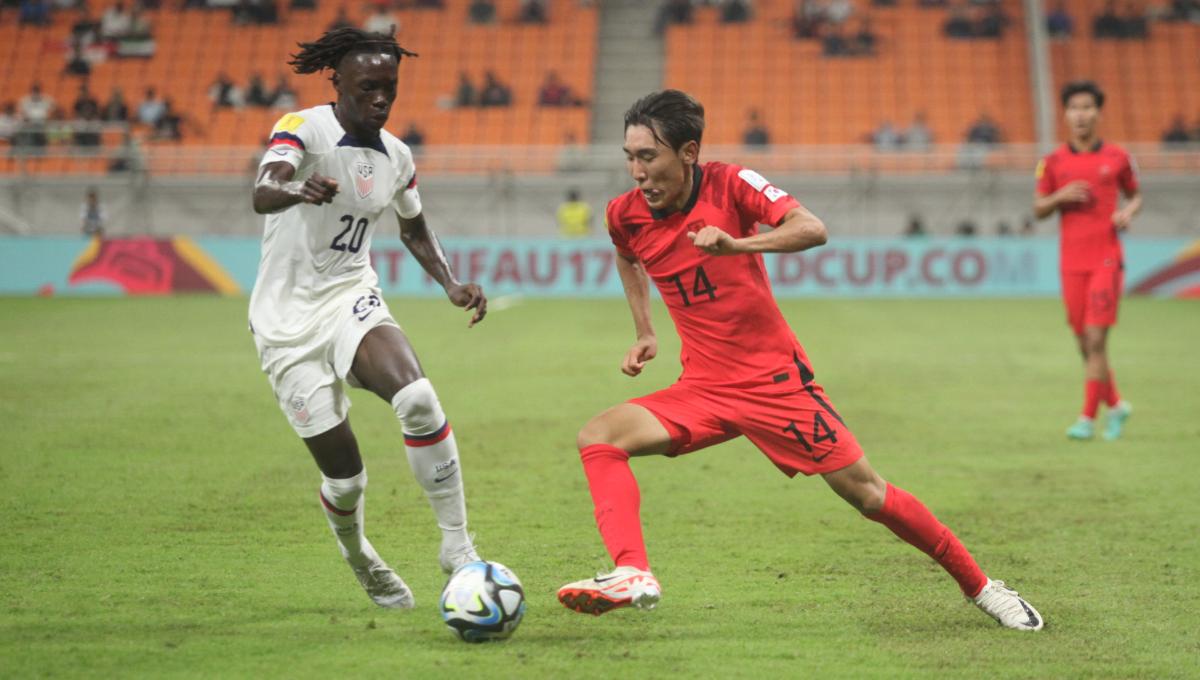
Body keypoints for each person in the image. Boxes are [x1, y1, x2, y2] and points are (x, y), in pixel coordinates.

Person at [555, 90, 1043, 631]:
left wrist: (738, 247)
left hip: (775, 385)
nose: (637, 172)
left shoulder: (730, 184)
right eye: (630, 157)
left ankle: (984, 588)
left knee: (869, 495)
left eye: (648, 157)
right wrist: (645, 330)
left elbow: (813, 228)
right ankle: (633, 573)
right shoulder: (624, 215)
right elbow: (628, 256)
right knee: (599, 437)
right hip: (703, 389)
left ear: (688, 153)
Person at [249, 27, 488, 610]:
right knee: (347, 478)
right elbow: (263, 189)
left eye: (390, 88)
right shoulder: (303, 129)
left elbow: (412, 227)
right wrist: (299, 187)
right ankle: (359, 553)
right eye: (368, 88)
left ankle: (458, 548)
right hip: (285, 323)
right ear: (338, 83)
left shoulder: (398, 156)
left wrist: (450, 282)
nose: (380, 99)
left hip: (350, 295)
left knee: (420, 399)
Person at [1033, 80, 1140, 441]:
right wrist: (1060, 196)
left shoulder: (1118, 158)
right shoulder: (1051, 163)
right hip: (1071, 262)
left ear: (1099, 112)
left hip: (1106, 259)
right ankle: (1117, 405)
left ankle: (1086, 419)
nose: (1080, 114)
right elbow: (1039, 209)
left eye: (1087, 107)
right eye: (1074, 108)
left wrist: (1128, 213)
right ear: (1065, 114)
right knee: (1083, 343)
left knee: (1096, 340)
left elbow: (1136, 195)